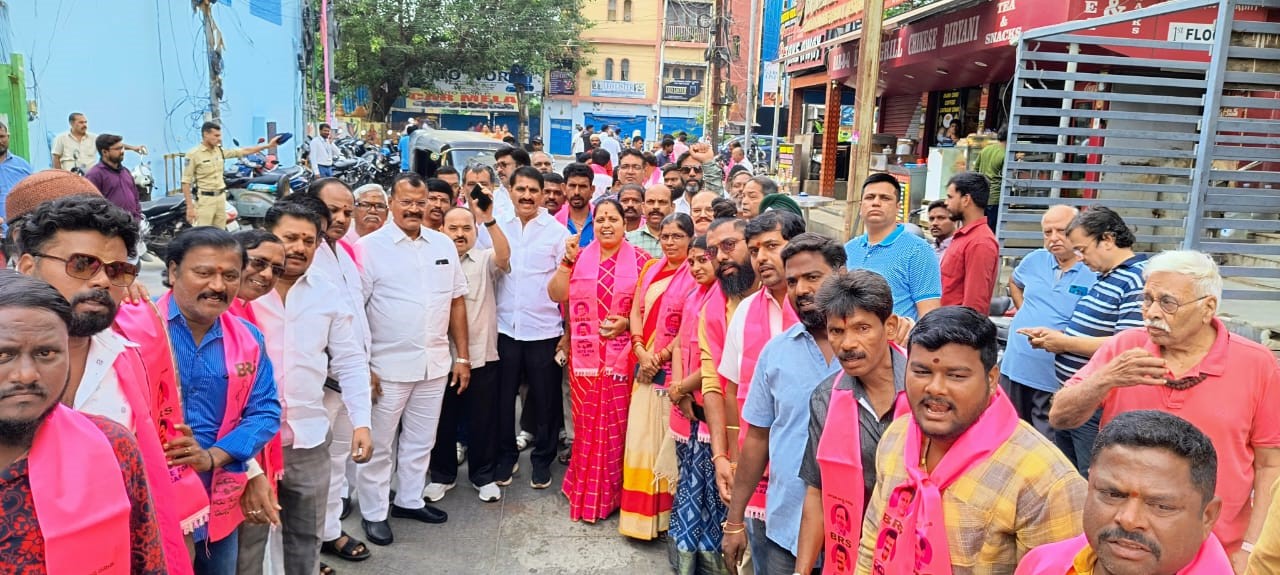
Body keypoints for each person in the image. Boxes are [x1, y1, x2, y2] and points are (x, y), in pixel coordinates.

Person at [1049, 250, 1280, 570]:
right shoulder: (1125, 347)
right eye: (1147, 300)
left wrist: (1250, 546)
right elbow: (1060, 416)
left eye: (1167, 302)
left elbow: (1270, 466)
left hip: (1217, 549)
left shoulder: (1257, 364)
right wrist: (1107, 379)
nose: (1152, 313)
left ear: (1207, 307)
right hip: (1123, 541)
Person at [15, 195, 203, 574]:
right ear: (27, 267)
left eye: (117, 270)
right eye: (82, 264)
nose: (103, 280)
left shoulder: (130, 356)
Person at [858, 306, 1086, 574]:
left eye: (956, 376)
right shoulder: (897, 436)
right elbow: (873, 541)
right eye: (921, 372)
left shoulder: (1046, 480)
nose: (935, 388)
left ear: (991, 379)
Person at [0, 271, 166, 573]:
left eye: (46, 353)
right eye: (3, 355)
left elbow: (147, 563)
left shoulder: (111, 445)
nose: (26, 375)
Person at [722, 233, 847, 574]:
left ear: (842, 275)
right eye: (792, 281)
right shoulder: (776, 354)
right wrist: (735, 521)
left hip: (854, 539)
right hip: (783, 531)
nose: (802, 290)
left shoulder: (871, 352)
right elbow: (757, 440)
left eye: (813, 277)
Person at [355, 173, 469, 546]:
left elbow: (455, 302)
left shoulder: (443, 244)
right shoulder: (369, 248)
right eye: (406, 202)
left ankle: (408, 499)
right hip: (385, 367)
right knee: (381, 443)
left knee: (422, 439)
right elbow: (356, 312)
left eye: (421, 202)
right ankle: (373, 512)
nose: (415, 209)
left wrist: (462, 356)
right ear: (392, 202)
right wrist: (363, 365)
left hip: (434, 363)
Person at [163, 227, 282, 573]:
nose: (218, 285)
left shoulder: (247, 337)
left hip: (218, 497)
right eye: (203, 272)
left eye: (229, 275)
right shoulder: (138, 328)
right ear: (172, 272)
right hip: (157, 502)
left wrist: (214, 457)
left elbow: (265, 411)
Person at [1016, 410, 1231, 575]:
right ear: (1090, 485)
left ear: (1207, 516)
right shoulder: (1041, 565)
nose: (1129, 520)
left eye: (1161, 506)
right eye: (1113, 494)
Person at [792, 268, 907, 575]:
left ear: (890, 326)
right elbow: (816, 490)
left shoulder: (925, 391)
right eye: (837, 331)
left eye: (862, 328)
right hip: (852, 555)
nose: (847, 344)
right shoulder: (826, 398)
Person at [713, 211, 807, 569]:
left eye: (772, 246)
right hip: (761, 471)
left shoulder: (824, 311)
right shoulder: (747, 311)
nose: (762, 258)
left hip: (812, 470)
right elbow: (733, 390)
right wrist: (733, 460)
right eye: (754, 250)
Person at [549, 198, 653, 521]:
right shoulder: (578, 258)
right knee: (587, 427)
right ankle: (586, 490)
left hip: (623, 359)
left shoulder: (642, 261)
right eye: (601, 219)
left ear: (626, 224)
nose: (607, 224)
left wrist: (626, 323)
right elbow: (556, 295)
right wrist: (565, 263)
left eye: (613, 218)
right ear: (593, 225)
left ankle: (616, 495)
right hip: (585, 358)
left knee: (618, 430)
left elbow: (650, 308)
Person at [294, 181, 380, 568]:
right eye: (334, 210)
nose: (342, 219)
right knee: (305, 475)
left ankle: (328, 532)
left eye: (348, 211)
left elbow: (355, 318)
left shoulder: (343, 252)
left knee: (337, 463)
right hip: (316, 386)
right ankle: (303, 552)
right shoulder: (298, 257)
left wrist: (365, 368)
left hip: (350, 376)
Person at [1025, 206, 1148, 476]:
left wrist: (1064, 343)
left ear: (1107, 239)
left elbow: (1127, 346)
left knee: (1090, 475)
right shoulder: (1108, 276)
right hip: (1077, 396)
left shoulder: (1136, 279)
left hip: (1097, 403)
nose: (1080, 259)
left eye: (1082, 249)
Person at [427, 199, 511, 504]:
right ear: (441, 229)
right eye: (453, 228)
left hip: (482, 355)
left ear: (475, 231)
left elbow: (504, 257)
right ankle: (442, 476)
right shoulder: (431, 259)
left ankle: (483, 476)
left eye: (466, 227)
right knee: (442, 420)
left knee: (483, 420)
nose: (460, 234)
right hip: (440, 356)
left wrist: (488, 219)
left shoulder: (485, 259)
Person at [620, 212, 696, 539]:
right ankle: (638, 520)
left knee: (664, 440)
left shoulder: (694, 273)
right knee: (640, 437)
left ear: (690, 239)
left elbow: (692, 322)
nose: (669, 242)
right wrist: (640, 350)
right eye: (665, 236)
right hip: (644, 363)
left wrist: (660, 356)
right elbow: (635, 311)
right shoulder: (651, 268)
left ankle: (665, 518)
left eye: (677, 236)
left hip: (673, 368)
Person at [495, 166, 570, 490]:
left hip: (544, 330)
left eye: (533, 191)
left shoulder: (556, 233)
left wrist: (566, 332)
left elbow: (565, 288)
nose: (526, 196)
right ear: (510, 191)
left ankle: (543, 460)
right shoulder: (497, 227)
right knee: (502, 399)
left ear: (543, 195)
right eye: (520, 189)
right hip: (504, 328)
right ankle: (506, 456)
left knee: (546, 399)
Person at [1001, 206, 1096, 437]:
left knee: (1046, 442)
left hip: (1054, 376)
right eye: (1047, 232)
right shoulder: (1035, 260)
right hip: (1014, 367)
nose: (1053, 238)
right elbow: (1015, 281)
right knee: (1008, 436)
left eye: (1061, 231)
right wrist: (1025, 309)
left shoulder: (1092, 269)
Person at [666, 234, 730, 574]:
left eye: (703, 260)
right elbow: (679, 345)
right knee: (690, 481)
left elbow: (714, 362)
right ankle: (688, 553)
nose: (695, 267)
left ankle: (708, 560)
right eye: (691, 261)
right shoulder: (694, 295)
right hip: (688, 398)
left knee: (708, 488)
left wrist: (684, 389)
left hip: (709, 402)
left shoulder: (722, 299)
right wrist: (678, 389)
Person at [844, 173, 942, 322]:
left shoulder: (918, 250)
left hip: (895, 343)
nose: (876, 203)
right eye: (870, 197)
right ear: (861, 206)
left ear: (898, 208)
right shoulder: (849, 249)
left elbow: (929, 315)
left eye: (885, 198)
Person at [182, 122, 280, 228]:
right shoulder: (194, 154)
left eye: (220, 135)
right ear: (206, 134)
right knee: (203, 234)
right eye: (216, 136)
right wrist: (190, 208)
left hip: (220, 198)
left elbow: (243, 151)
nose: (219, 139)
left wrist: (268, 146)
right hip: (205, 200)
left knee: (220, 234)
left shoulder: (219, 151)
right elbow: (186, 182)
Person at [940, 171, 1000, 314]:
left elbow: (975, 302)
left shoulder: (980, 242)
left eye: (950, 197)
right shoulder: (965, 236)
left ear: (966, 199)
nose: (946, 202)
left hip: (956, 329)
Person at [51, 112, 146, 173]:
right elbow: (56, 158)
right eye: (81, 122)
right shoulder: (61, 138)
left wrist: (134, 148)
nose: (85, 125)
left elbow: (113, 145)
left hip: (90, 179)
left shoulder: (94, 138)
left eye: (85, 122)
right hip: (70, 179)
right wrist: (60, 176)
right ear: (71, 123)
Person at [85, 134, 143, 220]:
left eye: (122, 147)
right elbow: (91, 206)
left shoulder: (125, 172)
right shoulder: (95, 175)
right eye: (117, 149)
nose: (122, 151)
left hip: (132, 226)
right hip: (111, 228)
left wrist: (138, 218)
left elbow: (136, 198)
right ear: (104, 152)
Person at [0, 121, 34, 231]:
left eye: (2, 136)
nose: (0, 141)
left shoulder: (23, 166)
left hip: (19, 232)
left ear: (8, 137)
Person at [973, 125, 1007, 232]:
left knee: (981, 229)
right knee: (992, 231)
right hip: (996, 198)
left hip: (982, 197)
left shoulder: (985, 150)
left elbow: (975, 170)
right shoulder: (1006, 154)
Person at [626, 184, 676, 256]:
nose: (656, 207)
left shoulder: (683, 240)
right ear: (643, 207)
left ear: (672, 207)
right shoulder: (628, 240)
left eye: (662, 202)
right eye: (651, 202)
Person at [557, 163, 596, 247]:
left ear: (592, 190)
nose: (577, 192)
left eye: (582, 186)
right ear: (564, 188)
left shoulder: (602, 220)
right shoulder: (555, 223)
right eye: (572, 186)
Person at [492, 146, 531, 221]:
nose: (499, 170)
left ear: (520, 167)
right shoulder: (493, 198)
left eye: (503, 165)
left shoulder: (535, 196)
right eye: (497, 166)